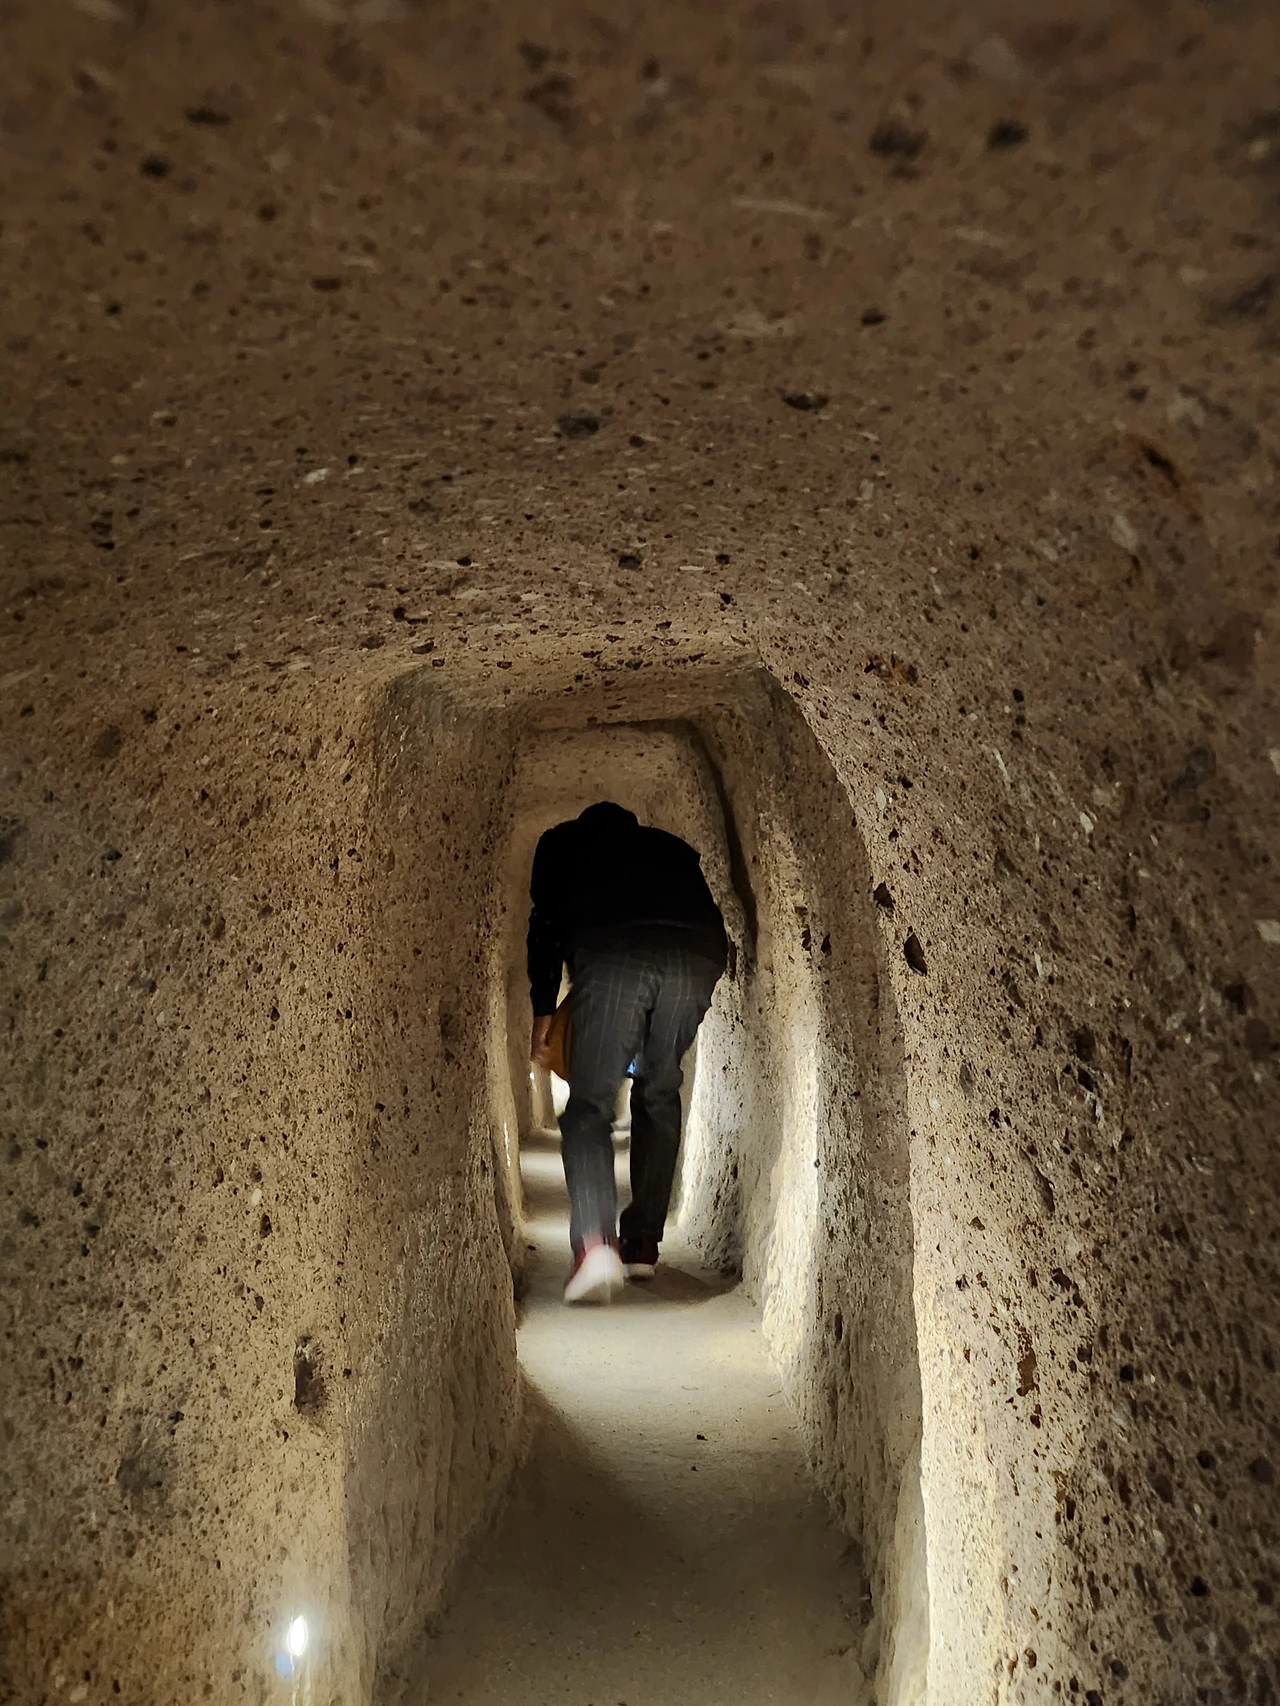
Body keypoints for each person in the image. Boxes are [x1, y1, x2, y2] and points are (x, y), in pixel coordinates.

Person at [527, 801, 728, 1304]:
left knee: (590, 1104)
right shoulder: (671, 848)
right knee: (659, 1088)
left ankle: (596, 1244)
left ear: (583, 824)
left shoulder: (561, 843)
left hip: (615, 949)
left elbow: (545, 926)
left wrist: (543, 1011)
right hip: (698, 954)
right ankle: (641, 1244)